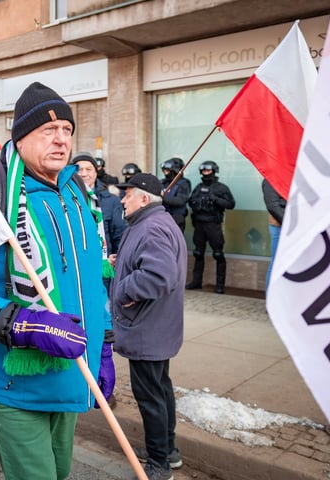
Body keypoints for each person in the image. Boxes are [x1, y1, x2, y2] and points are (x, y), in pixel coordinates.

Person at [0, 82, 113, 480]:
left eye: (67, 130)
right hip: (16, 381)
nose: (61, 140)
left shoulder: (76, 190)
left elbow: (93, 279)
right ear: (20, 137)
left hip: (73, 372)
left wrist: (105, 344)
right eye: (48, 131)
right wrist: (21, 324)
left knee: (59, 473)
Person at [110, 173, 186, 480]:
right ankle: (167, 450)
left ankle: (159, 464)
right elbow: (148, 263)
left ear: (144, 198)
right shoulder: (151, 222)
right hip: (154, 328)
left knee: (151, 397)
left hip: (147, 330)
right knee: (160, 390)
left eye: (127, 195)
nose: (122, 200)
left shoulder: (151, 226)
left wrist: (125, 289)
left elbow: (159, 275)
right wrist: (122, 263)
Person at [72, 151, 127, 295]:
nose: (83, 174)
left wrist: (116, 258)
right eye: (79, 169)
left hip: (103, 270)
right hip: (75, 270)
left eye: (88, 169)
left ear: (96, 172)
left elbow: (119, 235)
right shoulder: (64, 199)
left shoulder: (111, 201)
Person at [186, 161, 235, 294]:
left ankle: (220, 285)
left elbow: (231, 204)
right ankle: (196, 281)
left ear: (214, 171)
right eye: (203, 171)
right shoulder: (198, 187)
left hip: (213, 224)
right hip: (199, 224)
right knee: (198, 253)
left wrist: (215, 199)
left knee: (218, 254)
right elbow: (190, 201)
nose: (206, 173)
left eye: (208, 171)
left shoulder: (221, 188)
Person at [262, 178, 286, 290]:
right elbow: (273, 206)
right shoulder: (270, 179)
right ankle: (271, 302)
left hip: (292, 225)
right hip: (280, 226)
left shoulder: (291, 175)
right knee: (276, 262)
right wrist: (288, 223)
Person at [159, 157, 191, 233]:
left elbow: (180, 201)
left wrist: (162, 197)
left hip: (176, 218)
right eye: (164, 170)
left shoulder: (183, 183)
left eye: (167, 170)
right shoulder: (162, 182)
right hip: (162, 216)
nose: (165, 172)